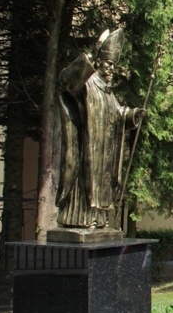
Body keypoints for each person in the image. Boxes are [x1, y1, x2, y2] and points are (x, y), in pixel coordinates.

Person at [57, 28, 146, 228]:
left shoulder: (108, 92)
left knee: (102, 184)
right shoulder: (87, 84)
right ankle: (80, 219)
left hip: (104, 152)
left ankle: (98, 218)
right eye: (108, 63)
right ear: (98, 62)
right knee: (86, 184)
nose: (111, 68)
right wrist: (87, 58)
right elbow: (65, 82)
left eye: (114, 65)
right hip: (88, 150)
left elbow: (117, 113)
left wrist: (132, 115)